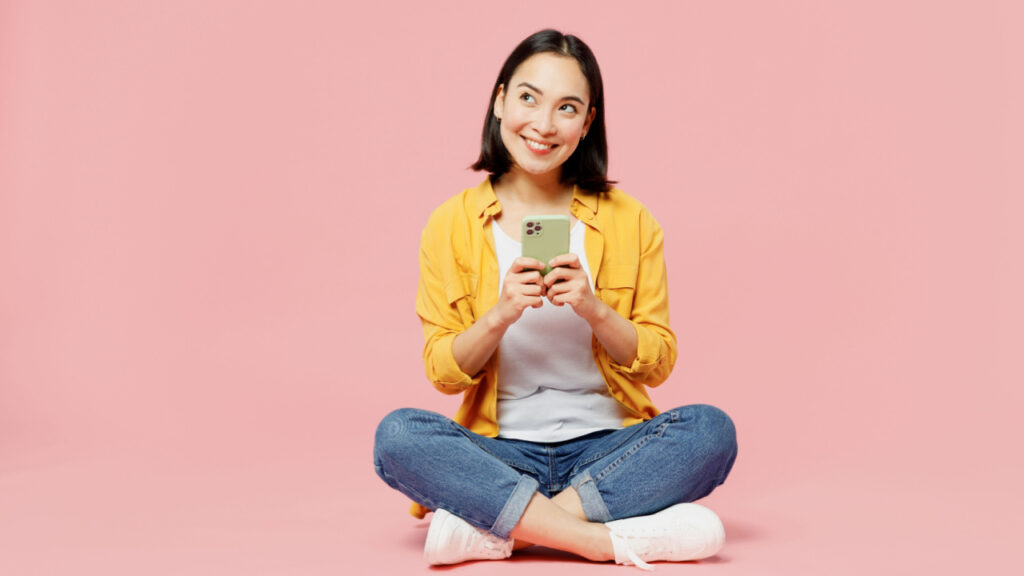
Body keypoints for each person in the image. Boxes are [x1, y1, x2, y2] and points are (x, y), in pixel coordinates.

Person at [373, 29, 737, 569]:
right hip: (503, 452)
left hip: (608, 449)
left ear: (587, 122)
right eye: (527, 98)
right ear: (499, 101)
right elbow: (443, 372)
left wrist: (593, 308)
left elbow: (658, 362)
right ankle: (600, 540)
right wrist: (498, 315)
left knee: (711, 431)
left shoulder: (630, 220)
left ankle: (505, 529)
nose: (543, 125)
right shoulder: (450, 224)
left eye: (567, 108)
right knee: (397, 436)